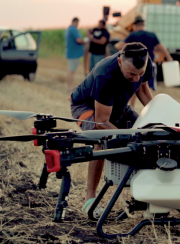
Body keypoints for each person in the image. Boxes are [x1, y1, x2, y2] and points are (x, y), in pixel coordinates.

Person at [69, 42, 154, 217]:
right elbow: (102, 122)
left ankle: (146, 197)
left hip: (118, 106)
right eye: (132, 74)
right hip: (87, 107)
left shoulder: (144, 61)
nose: (136, 78)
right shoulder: (104, 74)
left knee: (150, 137)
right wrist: (126, 138)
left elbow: (143, 88)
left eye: (140, 74)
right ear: (120, 62)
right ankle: (90, 200)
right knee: (103, 140)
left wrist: (156, 119)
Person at [115, 16, 173, 107]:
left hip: (134, 66)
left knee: (134, 86)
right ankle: (151, 109)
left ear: (135, 25)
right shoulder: (152, 35)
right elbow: (161, 47)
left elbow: (120, 46)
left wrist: (116, 45)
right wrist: (169, 58)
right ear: (143, 25)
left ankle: (132, 107)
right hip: (149, 65)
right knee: (150, 87)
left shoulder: (133, 35)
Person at [64, 17, 85, 92]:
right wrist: (85, 41)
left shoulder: (68, 29)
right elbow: (78, 40)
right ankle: (70, 87)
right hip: (74, 53)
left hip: (71, 52)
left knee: (71, 70)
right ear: (76, 22)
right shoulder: (73, 29)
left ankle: (70, 86)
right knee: (71, 71)